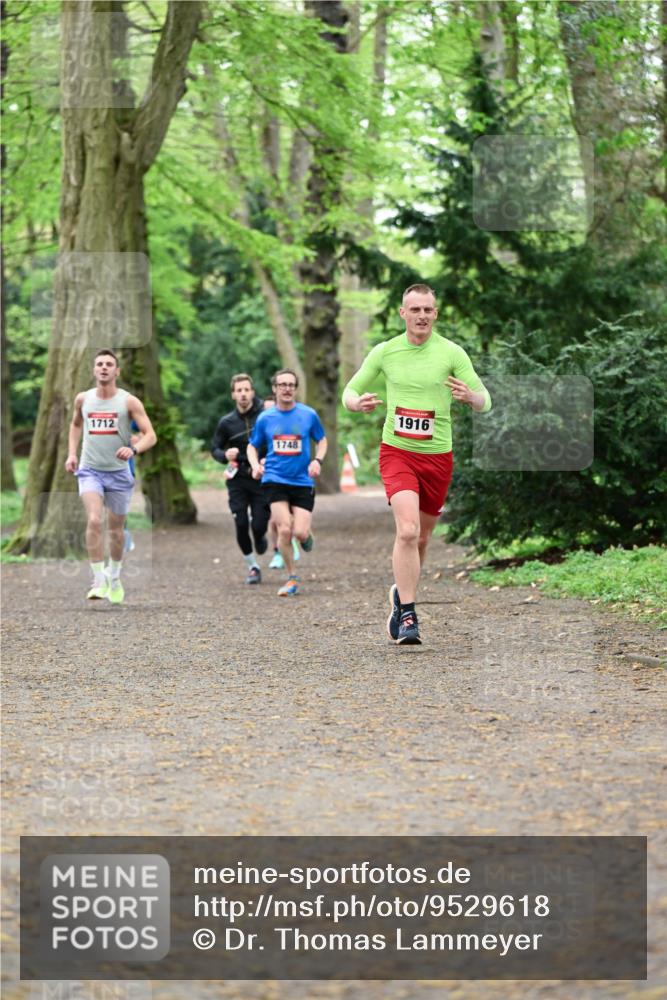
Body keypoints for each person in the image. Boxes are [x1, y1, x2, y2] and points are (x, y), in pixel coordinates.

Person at [343, 283, 491, 644]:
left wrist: (471, 397)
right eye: (415, 309)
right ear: (403, 313)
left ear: (435, 314)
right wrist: (356, 403)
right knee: (407, 531)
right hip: (397, 452)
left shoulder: (452, 353)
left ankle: (399, 596)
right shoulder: (386, 352)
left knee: (422, 537)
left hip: (438, 456)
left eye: (428, 310)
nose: (422, 316)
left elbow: (485, 399)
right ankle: (409, 616)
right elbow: (349, 391)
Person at [65, 348, 157, 603]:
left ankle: (114, 576)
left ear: (116, 371)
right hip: (90, 470)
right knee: (94, 520)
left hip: (118, 473)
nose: (104, 367)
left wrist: (134, 448)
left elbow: (151, 435)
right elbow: (75, 425)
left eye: (108, 364)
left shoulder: (129, 401)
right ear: (94, 370)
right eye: (99, 364)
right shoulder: (83, 399)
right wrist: (72, 454)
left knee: (116, 531)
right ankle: (98, 579)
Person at [247, 368, 327, 596]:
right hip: (274, 479)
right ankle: (292, 578)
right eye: (282, 384)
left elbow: (322, 440)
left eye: (291, 385)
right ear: (274, 388)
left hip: (302, 480)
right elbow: (252, 445)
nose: (286, 389)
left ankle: (306, 534)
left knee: (300, 533)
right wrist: (255, 465)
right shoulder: (265, 418)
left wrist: (317, 461)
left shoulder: (308, 415)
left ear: (295, 389)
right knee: (284, 529)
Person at [211, 373, 271, 584]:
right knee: (241, 521)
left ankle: (260, 536)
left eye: (247, 390)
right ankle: (252, 566)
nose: (243, 394)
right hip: (237, 477)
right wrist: (224, 455)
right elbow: (215, 448)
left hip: (262, 476)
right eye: (239, 391)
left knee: (258, 523)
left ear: (252, 392)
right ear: (233, 395)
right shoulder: (226, 422)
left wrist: (267, 460)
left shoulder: (265, 415)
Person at [263, 393, 301, 571]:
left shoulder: (292, 424)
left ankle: (294, 540)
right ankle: (278, 551)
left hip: (294, 478)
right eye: (267, 408)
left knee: (294, 517)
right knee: (273, 520)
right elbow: (251, 449)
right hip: (270, 479)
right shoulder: (262, 426)